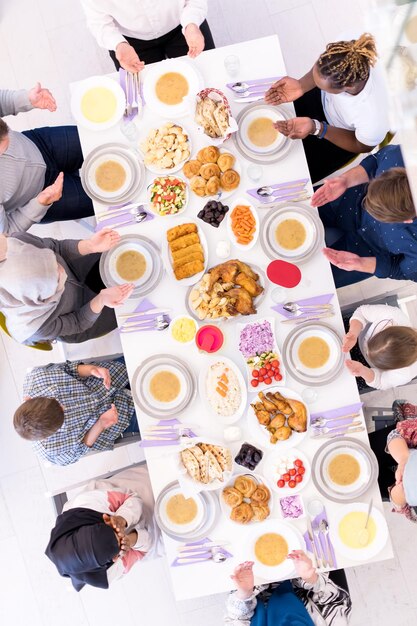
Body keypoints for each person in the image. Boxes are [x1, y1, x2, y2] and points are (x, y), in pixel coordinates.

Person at [265, 34, 389, 183]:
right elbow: (322, 69)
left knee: (288, 175)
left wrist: (318, 128)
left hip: (339, 137)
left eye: (321, 84)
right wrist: (301, 85)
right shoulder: (349, 50)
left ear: (346, 87)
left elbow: (361, 145)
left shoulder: (374, 116)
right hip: (320, 100)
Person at [0, 228, 133, 345]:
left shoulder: (19, 242)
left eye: (52, 260)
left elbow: (57, 248)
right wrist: (101, 299)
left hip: (76, 268)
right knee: (133, 305)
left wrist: (91, 245)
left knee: (122, 253)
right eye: (56, 281)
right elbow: (78, 322)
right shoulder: (35, 327)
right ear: (39, 300)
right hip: (80, 317)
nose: (62, 271)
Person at [310, 144, 417, 288]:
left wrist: (361, 264)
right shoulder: (400, 156)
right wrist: (346, 180)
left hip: (368, 251)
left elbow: (403, 271)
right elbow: (375, 161)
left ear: (407, 220)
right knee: (284, 210)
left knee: (311, 282)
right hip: (348, 199)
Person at [45, 466, 158, 590]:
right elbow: (146, 547)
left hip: (140, 489)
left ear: (105, 519)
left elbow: (133, 498)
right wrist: (130, 540)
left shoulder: (86, 503)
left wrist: (122, 519)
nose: (120, 534)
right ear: (114, 558)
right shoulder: (107, 573)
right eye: (118, 542)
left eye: (114, 530)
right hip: (153, 539)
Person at [0, 86, 94, 232]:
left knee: (102, 142)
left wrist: (27, 99)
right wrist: (40, 204)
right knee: (113, 198)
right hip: (39, 199)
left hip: (39, 144)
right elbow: (7, 232)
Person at [14, 358, 139, 465]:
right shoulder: (53, 452)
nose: (63, 407)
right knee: (156, 416)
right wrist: (101, 424)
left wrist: (91, 369)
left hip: (110, 377)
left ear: (28, 398)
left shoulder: (37, 380)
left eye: (56, 402)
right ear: (48, 437)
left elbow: (69, 369)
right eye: (62, 415)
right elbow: (82, 448)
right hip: (121, 416)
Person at [80, 0, 215, 72]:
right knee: (144, 105)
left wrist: (191, 24)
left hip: (184, 25)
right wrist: (118, 44)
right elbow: (98, 22)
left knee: (207, 79)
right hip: (131, 43)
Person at [224, 551, 351, 625]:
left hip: (253, 583)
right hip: (302, 576)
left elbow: (234, 618)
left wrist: (244, 593)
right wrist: (310, 578)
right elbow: (338, 600)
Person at [342, 304, 417, 390]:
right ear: (388, 328)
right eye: (370, 345)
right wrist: (353, 333)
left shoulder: (405, 373)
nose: (367, 353)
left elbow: (381, 382)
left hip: (367, 368)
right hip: (356, 335)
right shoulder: (392, 315)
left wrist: (363, 371)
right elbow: (361, 312)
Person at [369, 402, 417, 523]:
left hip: (403, 490)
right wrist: (403, 459)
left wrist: (400, 492)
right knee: (364, 451)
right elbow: (396, 434)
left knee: (367, 490)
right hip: (403, 447)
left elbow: (407, 510)